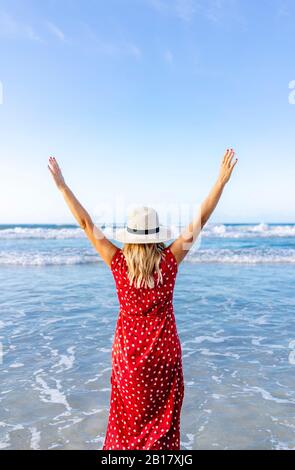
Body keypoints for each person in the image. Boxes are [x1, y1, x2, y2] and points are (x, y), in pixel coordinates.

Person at [48, 149, 238, 450]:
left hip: (128, 357)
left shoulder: (118, 262)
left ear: (130, 235)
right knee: (162, 427)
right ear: (156, 234)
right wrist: (220, 183)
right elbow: (200, 220)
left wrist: (62, 186)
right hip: (164, 354)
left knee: (128, 424)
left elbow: (86, 224)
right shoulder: (169, 262)